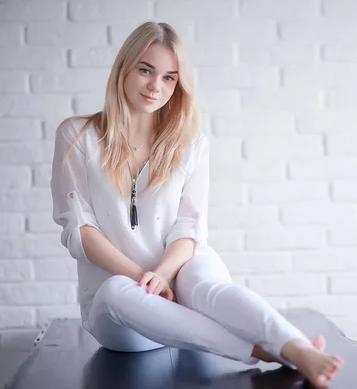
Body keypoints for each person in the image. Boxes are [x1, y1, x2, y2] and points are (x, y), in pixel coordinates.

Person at [50, 21, 342, 388]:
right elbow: (81, 229)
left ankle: (297, 347)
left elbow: (189, 227)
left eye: (170, 77)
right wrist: (145, 279)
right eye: (146, 70)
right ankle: (264, 351)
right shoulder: (78, 136)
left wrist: (165, 274)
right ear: (124, 67)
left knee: (206, 283)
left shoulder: (190, 143)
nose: (157, 86)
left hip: (179, 273)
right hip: (122, 314)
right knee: (114, 292)